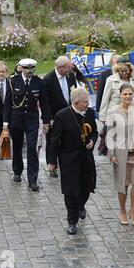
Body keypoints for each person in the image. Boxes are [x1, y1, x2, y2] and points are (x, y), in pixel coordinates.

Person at [47, 88, 98, 235]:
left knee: (87, 185)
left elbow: (94, 131)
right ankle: (72, 221)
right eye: (85, 102)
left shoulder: (88, 112)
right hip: (69, 158)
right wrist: (52, 162)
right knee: (70, 191)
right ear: (76, 102)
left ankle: (80, 205)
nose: (88, 104)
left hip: (86, 156)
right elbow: (55, 140)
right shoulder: (62, 116)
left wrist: (93, 142)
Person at [106, 83, 134, 226]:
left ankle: (133, 210)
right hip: (120, 152)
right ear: (120, 95)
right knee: (123, 184)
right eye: (125, 94)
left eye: (130, 94)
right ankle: (122, 210)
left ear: (133, 95)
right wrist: (111, 152)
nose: (127, 96)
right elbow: (109, 133)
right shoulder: (113, 111)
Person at [3, 58, 51, 191]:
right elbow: (7, 102)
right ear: (21, 69)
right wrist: (5, 121)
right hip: (16, 119)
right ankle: (17, 171)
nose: (30, 72)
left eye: (32, 69)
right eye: (27, 69)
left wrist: (46, 121)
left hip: (31, 119)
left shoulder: (38, 83)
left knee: (31, 148)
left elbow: (44, 103)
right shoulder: (13, 81)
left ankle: (32, 180)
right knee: (17, 147)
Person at [43, 56, 77, 178]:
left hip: (69, 115)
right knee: (53, 142)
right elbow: (45, 103)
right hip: (55, 117)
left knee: (68, 140)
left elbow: (74, 92)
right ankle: (52, 165)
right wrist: (48, 119)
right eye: (68, 67)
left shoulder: (70, 75)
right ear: (60, 67)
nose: (70, 69)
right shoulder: (48, 79)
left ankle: (67, 164)